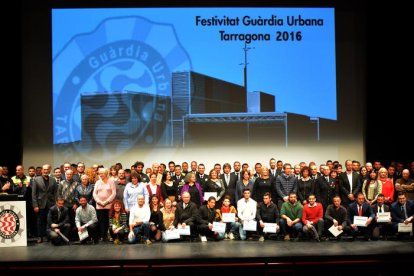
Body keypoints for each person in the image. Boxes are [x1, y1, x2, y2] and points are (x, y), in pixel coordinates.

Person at [32, 164, 58, 243]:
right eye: (44, 169)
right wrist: (35, 205)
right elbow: (34, 194)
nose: (45, 171)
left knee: (49, 221)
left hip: (51, 204)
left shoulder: (53, 179)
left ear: (49, 170)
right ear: (42, 170)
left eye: (47, 169)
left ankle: (49, 237)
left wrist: (56, 204)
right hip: (40, 204)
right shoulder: (36, 179)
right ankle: (40, 237)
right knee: (40, 221)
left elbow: (55, 193)